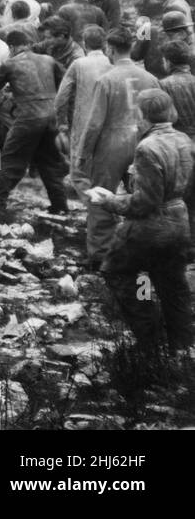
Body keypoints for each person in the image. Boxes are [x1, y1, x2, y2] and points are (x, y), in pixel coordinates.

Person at [84, 89, 193, 355]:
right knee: (173, 285)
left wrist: (108, 200)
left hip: (150, 228)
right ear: (169, 113)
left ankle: (150, 338)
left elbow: (145, 203)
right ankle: (182, 348)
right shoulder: (185, 140)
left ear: (142, 117)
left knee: (117, 270)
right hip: (180, 223)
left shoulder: (147, 148)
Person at [72, 28, 161, 269]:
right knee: (141, 198)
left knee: (100, 196)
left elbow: (94, 124)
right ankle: (141, 252)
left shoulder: (107, 80)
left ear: (110, 49)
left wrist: (82, 154)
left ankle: (101, 256)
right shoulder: (149, 78)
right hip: (143, 140)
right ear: (131, 47)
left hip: (112, 141)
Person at [0, 29, 70, 223]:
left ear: (11, 47)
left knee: (7, 160)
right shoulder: (47, 60)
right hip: (47, 117)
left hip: (22, 118)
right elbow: (66, 83)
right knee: (47, 162)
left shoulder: (9, 62)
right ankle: (60, 205)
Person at [55, 25, 111, 152]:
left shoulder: (78, 64)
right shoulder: (112, 63)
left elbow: (61, 97)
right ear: (104, 44)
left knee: (80, 165)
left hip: (84, 124)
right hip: (109, 125)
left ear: (84, 44)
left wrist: (62, 126)